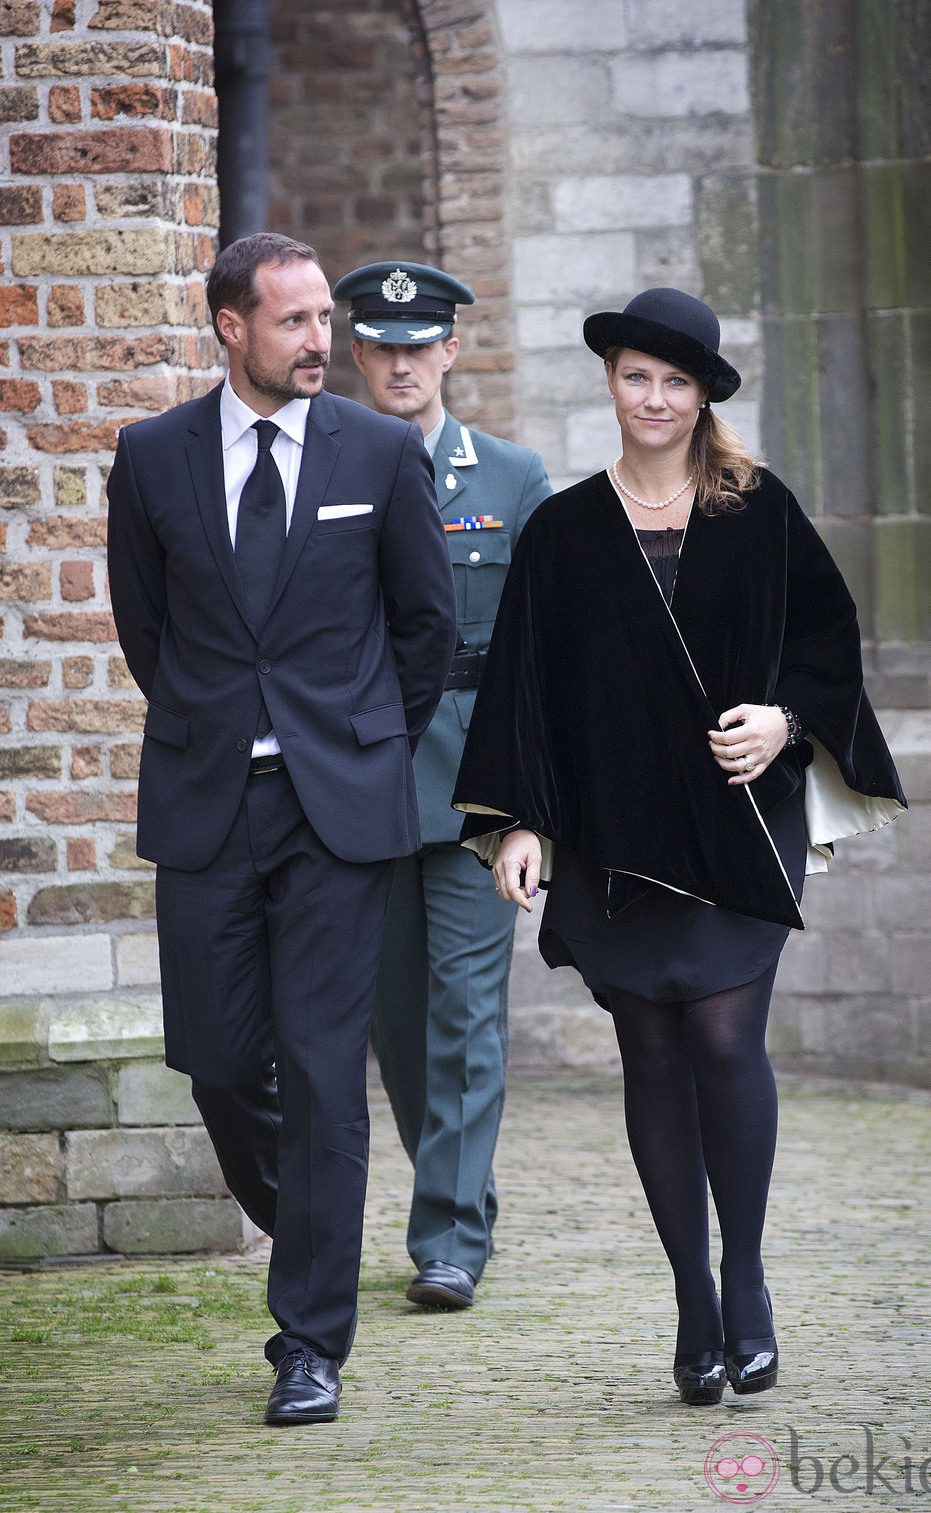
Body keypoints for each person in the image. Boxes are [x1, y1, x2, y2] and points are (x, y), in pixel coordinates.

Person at [452, 288, 906, 1404]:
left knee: (720, 1039)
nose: (652, 398)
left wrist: (781, 720)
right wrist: (517, 824)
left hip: (737, 828)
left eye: (674, 381)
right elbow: (524, 693)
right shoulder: (560, 531)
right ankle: (690, 1304)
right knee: (648, 1055)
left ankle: (744, 1282)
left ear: (702, 396)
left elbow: (827, 644)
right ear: (610, 382)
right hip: (614, 837)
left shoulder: (757, 511)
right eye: (635, 376)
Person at [106, 233, 456, 1425]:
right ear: (229, 327)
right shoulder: (150, 458)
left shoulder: (377, 451)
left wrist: (356, 748)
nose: (324, 342)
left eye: (326, 322)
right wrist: (222, 728)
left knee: (320, 1074)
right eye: (298, 322)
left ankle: (309, 1338)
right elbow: (144, 633)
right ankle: (314, 1214)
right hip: (208, 801)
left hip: (337, 814)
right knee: (215, 1062)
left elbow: (425, 628)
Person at [331, 261, 551, 1309]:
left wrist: (531, 809)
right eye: (382, 345)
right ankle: (456, 1192)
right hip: (359, 781)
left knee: (466, 1011)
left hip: (475, 787)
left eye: (421, 345)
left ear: (450, 352)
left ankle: (450, 1237)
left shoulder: (510, 478)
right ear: (357, 354)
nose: (402, 363)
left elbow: (548, 656)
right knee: (398, 1025)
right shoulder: (322, 465)